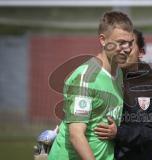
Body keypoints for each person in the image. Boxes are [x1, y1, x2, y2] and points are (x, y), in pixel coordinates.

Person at [48, 11, 134, 160]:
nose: (127, 48)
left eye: (130, 43)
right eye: (121, 42)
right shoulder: (86, 78)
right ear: (103, 40)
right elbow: (76, 135)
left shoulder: (119, 74)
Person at [94, 29, 152, 160]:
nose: (123, 50)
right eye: (120, 45)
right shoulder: (100, 79)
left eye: (129, 45)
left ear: (141, 52)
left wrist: (119, 133)